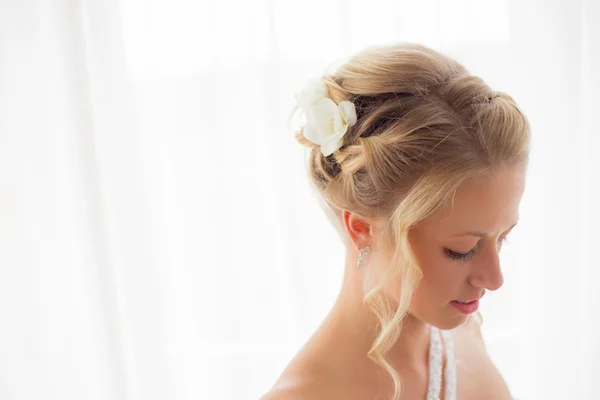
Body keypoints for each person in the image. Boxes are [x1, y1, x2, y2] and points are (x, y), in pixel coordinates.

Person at [261, 42, 530, 400]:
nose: (495, 279)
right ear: (362, 229)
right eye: (461, 250)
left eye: (502, 239)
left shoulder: (464, 333)